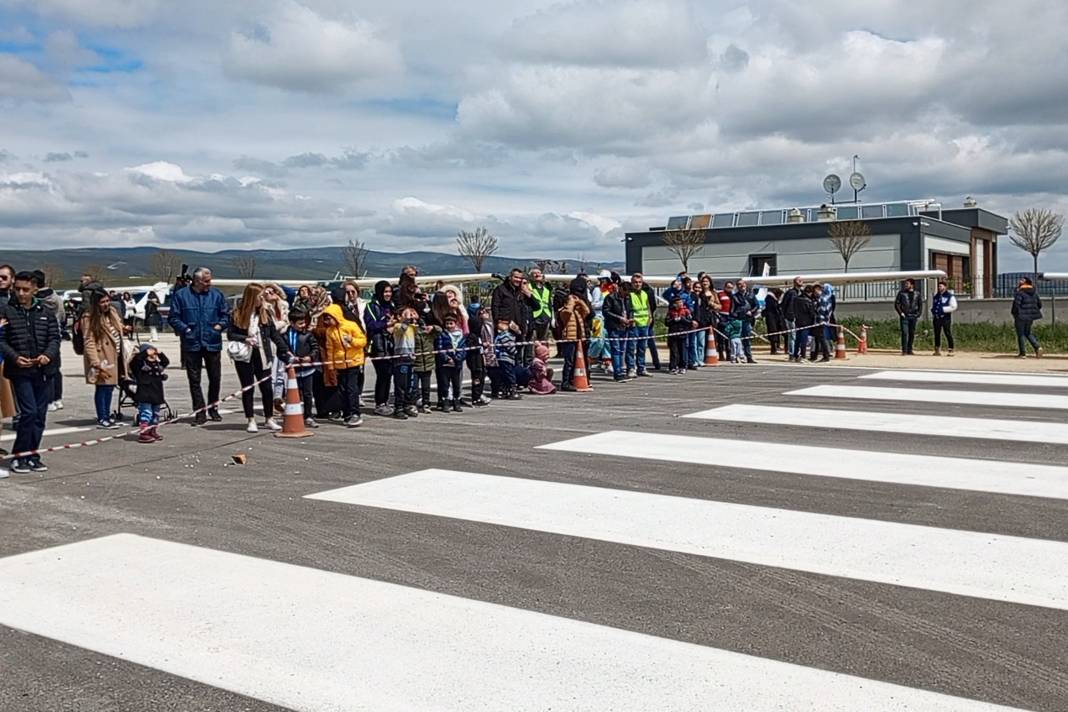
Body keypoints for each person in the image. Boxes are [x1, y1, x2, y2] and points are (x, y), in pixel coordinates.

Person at [1, 271, 61, 473]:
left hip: (43, 370)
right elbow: (1, 340)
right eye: (17, 289)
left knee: (40, 416)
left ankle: (33, 454)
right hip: (20, 371)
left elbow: (55, 338)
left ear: (35, 289)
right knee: (29, 412)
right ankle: (20, 455)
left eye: (25, 289)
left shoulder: (45, 310)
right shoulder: (7, 310)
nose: (21, 293)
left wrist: (47, 355)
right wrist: (15, 357)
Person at [168, 267, 230, 425]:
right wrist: (186, 329)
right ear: (196, 281)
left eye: (210, 280)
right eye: (206, 281)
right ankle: (199, 411)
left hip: (212, 342)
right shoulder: (181, 295)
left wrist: (219, 326)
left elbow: (226, 315)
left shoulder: (216, 295)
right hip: (192, 343)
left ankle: (213, 408)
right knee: (194, 380)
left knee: (215, 378)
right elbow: (173, 317)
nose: (209, 284)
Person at [227, 283, 291, 433]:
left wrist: (286, 351)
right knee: (247, 388)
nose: (263, 299)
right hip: (245, 357)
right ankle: (251, 419)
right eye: (260, 296)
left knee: (267, 388)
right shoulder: (237, 314)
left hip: (263, 356)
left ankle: (269, 418)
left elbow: (274, 335)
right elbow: (231, 334)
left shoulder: (265, 314)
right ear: (251, 298)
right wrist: (245, 338)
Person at [82, 290, 128, 429]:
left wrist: (124, 328)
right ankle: (102, 417)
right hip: (102, 356)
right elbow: (89, 341)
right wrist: (95, 362)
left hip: (116, 355)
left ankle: (107, 415)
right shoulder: (89, 317)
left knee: (110, 387)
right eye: (102, 302)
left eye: (107, 301)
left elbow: (117, 328)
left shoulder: (112, 312)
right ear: (96, 304)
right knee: (103, 387)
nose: (106, 304)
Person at [318, 303, 367, 427]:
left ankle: (355, 413)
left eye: (329, 318)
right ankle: (347, 414)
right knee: (342, 390)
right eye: (326, 319)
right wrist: (331, 366)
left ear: (336, 316)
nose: (327, 321)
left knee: (352, 389)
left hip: (353, 362)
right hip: (340, 364)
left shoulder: (351, 325)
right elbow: (330, 349)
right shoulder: (330, 331)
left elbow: (363, 341)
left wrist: (352, 340)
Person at [491, 268, 537, 365]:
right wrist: (499, 323)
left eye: (520, 278)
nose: (518, 280)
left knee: (518, 358)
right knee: (506, 358)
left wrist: (527, 293)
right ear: (510, 277)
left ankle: (519, 378)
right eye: (516, 277)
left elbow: (536, 306)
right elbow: (495, 308)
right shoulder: (500, 290)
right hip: (505, 330)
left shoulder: (520, 292)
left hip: (519, 330)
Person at [364, 280, 396, 416]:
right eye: (385, 292)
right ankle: (379, 403)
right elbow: (371, 325)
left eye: (389, 291)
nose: (388, 294)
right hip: (377, 345)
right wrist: (386, 324)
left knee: (389, 374)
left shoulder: (393, 305)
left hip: (391, 344)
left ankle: (385, 400)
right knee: (382, 374)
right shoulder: (371, 306)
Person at [286, 310, 322, 428]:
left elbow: (315, 348)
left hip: (307, 369)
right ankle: (294, 414)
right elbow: (281, 351)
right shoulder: (286, 335)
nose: (303, 326)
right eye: (300, 323)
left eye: (304, 323)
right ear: (292, 323)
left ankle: (308, 416)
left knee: (308, 394)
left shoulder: (307, 335)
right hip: (293, 370)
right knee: (294, 394)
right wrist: (288, 358)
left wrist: (310, 357)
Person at [129, 343, 169, 443]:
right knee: (146, 413)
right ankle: (144, 433)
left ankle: (152, 430)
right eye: (151, 354)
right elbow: (134, 363)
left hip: (156, 394)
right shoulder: (141, 366)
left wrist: (160, 354)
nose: (153, 356)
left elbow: (165, 362)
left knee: (155, 414)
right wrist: (145, 353)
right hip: (145, 394)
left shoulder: (157, 365)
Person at [556, 291, 590, 391]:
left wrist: (580, 302)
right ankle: (565, 382)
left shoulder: (576, 312)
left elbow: (587, 311)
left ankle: (572, 381)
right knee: (569, 361)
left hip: (577, 338)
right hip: (568, 339)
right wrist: (570, 302)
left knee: (575, 361)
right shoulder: (563, 311)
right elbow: (568, 312)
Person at [391, 305, 420, 419]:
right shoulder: (397, 326)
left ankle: (408, 404)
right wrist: (406, 318)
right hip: (401, 359)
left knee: (410, 384)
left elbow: (422, 327)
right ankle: (399, 407)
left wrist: (416, 317)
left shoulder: (412, 327)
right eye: (405, 314)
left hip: (410, 359)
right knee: (401, 384)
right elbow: (402, 328)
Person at [435, 314, 467, 412]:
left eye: (451, 323)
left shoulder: (461, 335)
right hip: (445, 364)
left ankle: (456, 402)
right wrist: (447, 358)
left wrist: (458, 359)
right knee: (445, 384)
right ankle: (445, 402)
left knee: (456, 385)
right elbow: (439, 348)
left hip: (456, 364)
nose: (449, 326)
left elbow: (463, 349)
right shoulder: (442, 335)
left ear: (455, 324)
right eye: (447, 324)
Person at [602, 278, 631, 382]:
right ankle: (617, 373)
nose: (626, 295)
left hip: (624, 327)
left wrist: (630, 319)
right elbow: (606, 311)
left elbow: (630, 310)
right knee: (616, 350)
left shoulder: (627, 298)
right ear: (620, 289)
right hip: (614, 327)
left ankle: (621, 370)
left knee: (622, 350)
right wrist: (619, 318)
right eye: (625, 292)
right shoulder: (610, 298)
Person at [627, 273, 655, 378]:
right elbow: (628, 308)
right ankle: (631, 368)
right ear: (632, 283)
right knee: (631, 348)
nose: (638, 284)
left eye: (639, 282)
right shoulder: (630, 294)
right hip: (634, 324)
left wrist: (650, 317)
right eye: (635, 282)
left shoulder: (644, 293)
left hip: (645, 324)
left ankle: (641, 367)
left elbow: (648, 306)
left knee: (642, 347)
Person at [465, 303, 490, 406]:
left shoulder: (479, 336)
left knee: (482, 378)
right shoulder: (472, 337)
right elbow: (472, 347)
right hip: (475, 362)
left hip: (480, 360)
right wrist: (480, 344)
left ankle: (479, 395)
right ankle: (475, 397)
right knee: (477, 379)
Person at [1012, 277, 1043, 358]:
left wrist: (1015, 313)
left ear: (1024, 283)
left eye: (1021, 280)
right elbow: (1039, 304)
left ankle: (1022, 353)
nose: (1019, 281)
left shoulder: (1020, 292)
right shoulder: (1034, 292)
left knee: (1021, 334)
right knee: (1028, 332)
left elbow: (1016, 304)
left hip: (1021, 316)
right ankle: (1037, 347)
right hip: (1030, 316)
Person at [490, 318, 521, 400]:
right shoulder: (505, 336)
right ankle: (511, 390)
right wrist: (515, 352)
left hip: (503, 358)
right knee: (509, 374)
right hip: (505, 358)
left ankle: (506, 389)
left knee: (505, 374)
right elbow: (510, 348)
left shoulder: (503, 335)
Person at [731, 279, 759, 364]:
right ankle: (736, 357)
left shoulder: (751, 295)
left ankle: (749, 357)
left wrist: (752, 311)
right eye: (739, 284)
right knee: (736, 340)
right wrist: (735, 316)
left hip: (747, 320)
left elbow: (757, 305)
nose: (741, 285)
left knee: (747, 339)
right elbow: (732, 309)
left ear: (745, 284)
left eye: (742, 284)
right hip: (738, 320)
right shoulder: (735, 296)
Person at [666, 296, 695, 374]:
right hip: (673, 334)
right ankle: (673, 367)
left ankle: (682, 366)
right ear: (674, 304)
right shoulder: (670, 312)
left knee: (683, 351)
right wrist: (673, 320)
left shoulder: (686, 311)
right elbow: (667, 322)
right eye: (678, 303)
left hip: (683, 334)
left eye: (681, 302)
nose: (680, 304)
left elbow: (690, 322)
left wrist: (682, 319)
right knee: (674, 352)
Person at [894, 278, 923, 355]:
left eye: (907, 284)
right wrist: (901, 313)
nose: (905, 285)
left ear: (912, 285)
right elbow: (897, 304)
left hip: (913, 316)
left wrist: (918, 314)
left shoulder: (917, 293)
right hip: (904, 316)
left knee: (912, 333)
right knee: (904, 332)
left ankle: (910, 349)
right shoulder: (901, 293)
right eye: (905, 284)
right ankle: (904, 350)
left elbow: (920, 304)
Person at [790, 284, 818, 362]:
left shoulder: (796, 299)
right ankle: (803, 355)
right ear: (811, 292)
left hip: (798, 321)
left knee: (797, 339)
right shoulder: (809, 301)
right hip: (807, 323)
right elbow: (811, 313)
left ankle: (795, 355)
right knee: (804, 340)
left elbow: (793, 310)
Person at [931, 281, 958, 356]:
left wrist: (943, 309)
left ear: (945, 287)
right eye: (939, 286)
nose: (940, 288)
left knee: (947, 333)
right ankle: (937, 349)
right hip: (937, 318)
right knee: (937, 334)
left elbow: (954, 306)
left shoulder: (949, 296)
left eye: (941, 286)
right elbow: (935, 304)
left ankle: (951, 349)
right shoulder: (936, 296)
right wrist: (933, 310)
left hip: (945, 318)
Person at [780, 277, 803, 357]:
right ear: (794, 282)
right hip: (791, 317)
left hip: (800, 318)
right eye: (798, 280)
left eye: (801, 280)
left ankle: (797, 352)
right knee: (792, 335)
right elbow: (783, 305)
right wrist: (786, 316)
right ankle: (792, 353)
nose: (800, 282)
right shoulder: (790, 292)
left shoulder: (801, 293)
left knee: (798, 335)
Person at [811, 284, 832, 362]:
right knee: (817, 338)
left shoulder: (822, 299)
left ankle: (826, 356)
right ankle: (814, 355)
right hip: (822, 321)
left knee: (821, 339)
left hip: (820, 321)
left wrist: (821, 320)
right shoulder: (827, 298)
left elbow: (822, 311)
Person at [763, 288, 785, 355]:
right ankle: (773, 349)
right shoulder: (770, 299)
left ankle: (775, 348)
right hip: (772, 320)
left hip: (774, 320)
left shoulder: (772, 299)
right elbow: (774, 309)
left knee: (776, 334)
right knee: (773, 334)